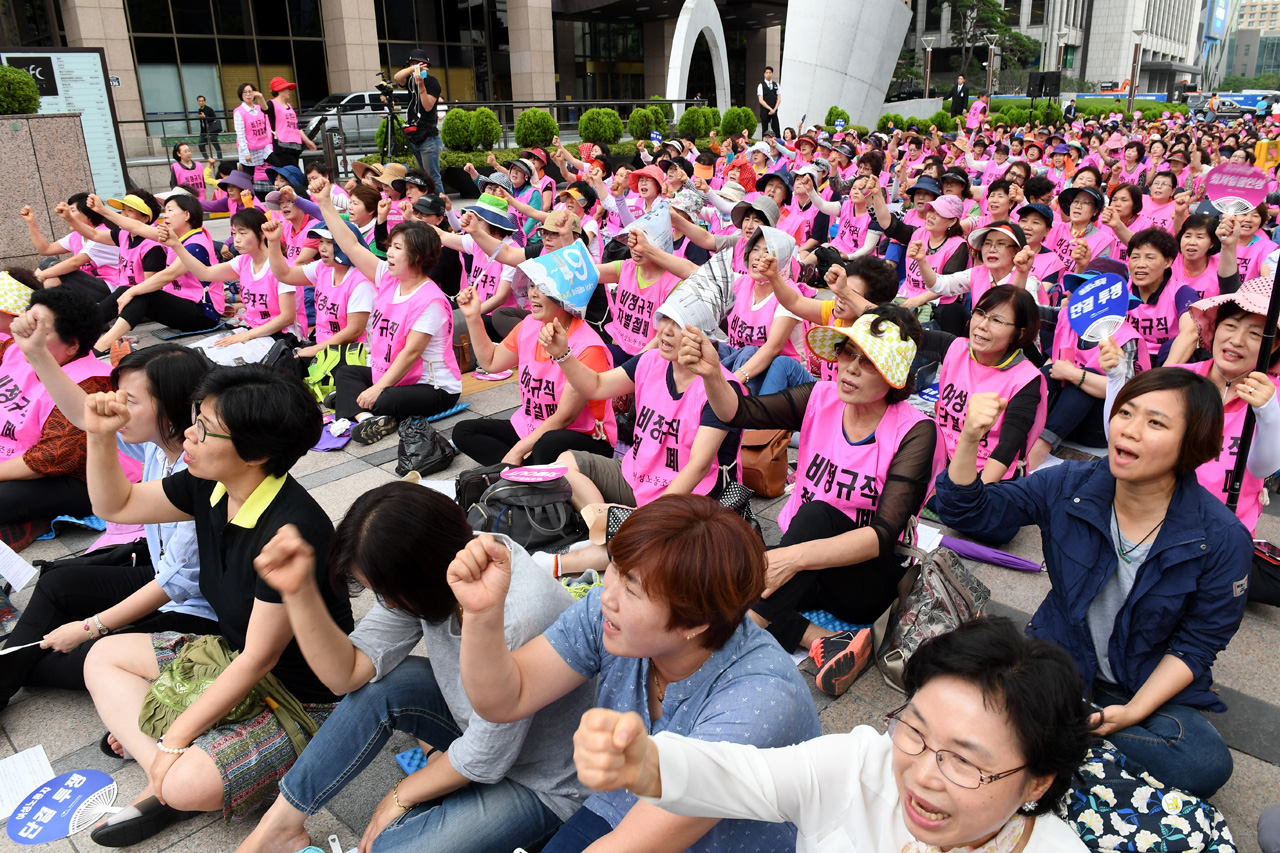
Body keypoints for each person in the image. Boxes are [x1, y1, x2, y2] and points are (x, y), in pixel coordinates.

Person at [935, 367, 1251, 799]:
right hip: (1061, 660)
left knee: (1203, 762)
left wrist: (1134, 711)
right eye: (1125, 412)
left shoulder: (1222, 537)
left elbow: (1198, 644)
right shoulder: (1069, 483)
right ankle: (1066, 740)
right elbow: (971, 512)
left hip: (1145, 685)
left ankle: (1048, 741)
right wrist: (970, 439)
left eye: (1155, 422)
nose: (1130, 431)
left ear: (1190, 444)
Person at [236, 484, 596, 853]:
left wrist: (399, 795)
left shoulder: (516, 615)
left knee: (390, 847)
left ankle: (454, 787)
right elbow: (347, 674)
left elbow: (487, 757)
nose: (388, 603)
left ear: (420, 573)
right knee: (385, 685)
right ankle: (278, 827)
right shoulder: (445, 567)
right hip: (482, 730)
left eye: (388, 592)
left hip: (546, 781)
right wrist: (299, 593)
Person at [448, 496, 821, 853]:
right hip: (621, 804)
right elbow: (506, 698)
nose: (607, 593)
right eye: (615, 567)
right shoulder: (608, 615)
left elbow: (641, 843)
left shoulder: (760, 701)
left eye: (632, 589)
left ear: (695, 622)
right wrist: (482, 615)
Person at [81, 364, 353, 844]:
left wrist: (174, 737)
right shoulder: (209, 483)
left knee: (186, 779)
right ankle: (163, 781)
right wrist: (100, 437)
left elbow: (259, 659)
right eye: (195, 417)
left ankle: (172, 780)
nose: (187, 434)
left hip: (300, 700)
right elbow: (116, 505)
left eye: (205, 429)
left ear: (256, 454)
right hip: (227, 654)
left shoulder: (292, 528)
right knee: (101, 656)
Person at [572, 617, 1092, 853]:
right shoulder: (860, 765)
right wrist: (648, 764)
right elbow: (746, 776)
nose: (923, 775)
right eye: (915, 729)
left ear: (1037, 783)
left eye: (964, 761)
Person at [680, 309, 943, 695]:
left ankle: (724, 647)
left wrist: (793, 558)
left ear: (893, 376)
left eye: (867, 362)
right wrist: (712, 374)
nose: (849, 369)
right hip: (807, 562)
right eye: (847, 353)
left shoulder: (916, 432)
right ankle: (822, 640)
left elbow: (882, 536)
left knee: (816, 515)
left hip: (866, 577)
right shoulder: (821, 397)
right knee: (727, 563)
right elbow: (739, 412)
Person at [0, 340, 214, 714]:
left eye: (130, 400)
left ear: (173, 408)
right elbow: (85, 418)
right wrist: (35, 352)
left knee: (66, 656)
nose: (116, 405)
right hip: (166, 577)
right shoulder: (156, 444)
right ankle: (8, 664)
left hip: (203, 610)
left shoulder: (202, 471)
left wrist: (91, 627)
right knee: (58, 585)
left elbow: (177, 584)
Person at [549, 291, 745, 576]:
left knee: (662, 551)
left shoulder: (720, 388)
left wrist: (650, 516)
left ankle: (596, 544)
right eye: (664, 317)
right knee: (564, 464)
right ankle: (613, 525)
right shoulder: (650, 361)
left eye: (678, 323)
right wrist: (563, 354)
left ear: (703, 335)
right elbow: (596, 385)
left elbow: (698, 466)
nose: (664, 329)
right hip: (638, 475)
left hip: (688, 496)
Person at [1110, 277, 1280, 535]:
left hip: (1225, 533)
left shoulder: (1274, 397)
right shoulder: (1178, 376)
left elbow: (1260, 468)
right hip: (1152, 523)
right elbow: (1121, 436)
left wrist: (1267, 411)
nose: (1236, 340)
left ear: (1274, 344)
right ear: (1215, 326)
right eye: (1230, 325)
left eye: (1255, 333)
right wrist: (1115, 379)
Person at [314, 179, 461, 444]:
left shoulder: (431, 300)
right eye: (390, 246)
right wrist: (325, 202)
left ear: (417, 256)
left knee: (384, 397)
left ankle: (361, 407)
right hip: (395, 374)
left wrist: (377, 388)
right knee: (346, 373)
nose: (388, 254)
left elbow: (411, 353)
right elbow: (351, 246)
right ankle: (367, 419)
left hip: (433, 386)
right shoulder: (388, 278)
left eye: (397, 248)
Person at [451, 264, 616, 467]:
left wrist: (516, 451)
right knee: (464, 431)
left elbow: (565, 418)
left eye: (543, 288)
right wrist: (472, 317)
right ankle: (521, 473)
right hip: (532, 428)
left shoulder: (588, 347)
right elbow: (491, 362)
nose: (533, 294)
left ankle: (515, 472)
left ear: (564, 294)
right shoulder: (529, 325)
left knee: (547, 444)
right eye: (531, 286)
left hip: (580, 437)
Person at [0, 286, 113, 545]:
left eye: (38, 328)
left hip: (76, 478)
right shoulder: (17, 349)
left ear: (72, 345)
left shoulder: (90, 384)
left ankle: (37, 521)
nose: (26, 331)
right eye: (27, 318)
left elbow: (50, 459)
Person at [928, 285, 1047, 486]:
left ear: (1019, 333)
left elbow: (1006, 450)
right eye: (980, 313)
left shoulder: (1026, 380)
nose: (982, 325)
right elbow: (903, 335)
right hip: (940, 455)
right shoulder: (956, 347)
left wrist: (971, 496)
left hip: (985, 471)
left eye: (997, 320)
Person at [87, 193, 223, 354]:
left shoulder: (196, 244)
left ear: (186, 214)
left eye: (170, 211)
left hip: (203, 314)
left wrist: (131, 291)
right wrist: (102, 210)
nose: (165, 216)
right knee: (129, 290)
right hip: (181, 305)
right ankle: (81, 330)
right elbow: (137, 227)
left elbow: (167, 276)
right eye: (165, 211)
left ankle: (102, 345)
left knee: (142, 293)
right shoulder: (176, 237)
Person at [162, 207, 299, 350]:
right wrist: (177, 245)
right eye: (234, 233)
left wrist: (246, 335)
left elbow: (286, 318)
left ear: (262, 234)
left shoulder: (281, 268)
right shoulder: (243, 261)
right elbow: (205, 273)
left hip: (282, 336)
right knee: (199, 352)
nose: (236, 240)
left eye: (243, 233)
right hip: (254, 330)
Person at [394, 49, 443, 193]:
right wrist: (412, 69)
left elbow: (428, 107)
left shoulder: (433, 82)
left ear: (427, 65)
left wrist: (421, 87)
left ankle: (443, 209)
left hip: (428, 136)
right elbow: (397, 77)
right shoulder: (410, 80)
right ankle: (427, 207)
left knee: (432, 178)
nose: (417, 66)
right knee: (422, 178)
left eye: (420, 64)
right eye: (413, 63)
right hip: (414, 134)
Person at [265, 76, 316, 170]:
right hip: (281, 146)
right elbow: (264, 110)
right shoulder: (271, 104)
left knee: (292, 173)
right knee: (294, 173)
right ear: (279, 90)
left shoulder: (289, 106)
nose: (289, 91)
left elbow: (296, 126)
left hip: (294, 145)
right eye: (286, 89)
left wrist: (307, 141)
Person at [232, 83, 271, 185]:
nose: (248, 94)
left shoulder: (258, 108)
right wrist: (246, 152)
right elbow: (240, 133)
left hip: (263, 146)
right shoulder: (239, 112)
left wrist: (260, 96)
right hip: (249, 149)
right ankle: (249, 199)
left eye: (250, 92)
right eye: (245, 92)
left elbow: (266, 109)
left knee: (279, 164)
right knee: (248, 179)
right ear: (241, 95)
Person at [196, 95, 223, 162]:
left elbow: (214, 118)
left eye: (202, 101)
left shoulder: (209, 109)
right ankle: (207, 158)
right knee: (200, 145)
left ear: (204, 101)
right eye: (200, 101)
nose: (201, 102)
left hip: (211, 130)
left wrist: (205, 116)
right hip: (204, 131)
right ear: (197, 102)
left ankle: (220, 158)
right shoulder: (200, 110)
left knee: (216, 145)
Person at [757, 66, 781, 138]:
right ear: (764, 74)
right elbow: (761, 100)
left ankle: (778, 143)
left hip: (774, 110)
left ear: (772, 74)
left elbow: (779, 98)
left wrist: (774, 109)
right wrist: (770, 108)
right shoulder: (761, 85)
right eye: (767, 73)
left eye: (770, 73)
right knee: (765, 128)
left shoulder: (776, 85)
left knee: (776, 128)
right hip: (765, 110)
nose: (768, 74)